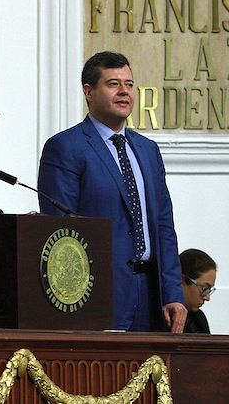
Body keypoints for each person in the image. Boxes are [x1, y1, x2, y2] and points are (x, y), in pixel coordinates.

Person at [37, 51, 186, 332]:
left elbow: (164, 226)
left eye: (129, 84)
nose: (124, 92)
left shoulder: (148, 150)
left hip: (152, 297)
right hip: (99, 296)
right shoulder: (66, 147)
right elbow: (61, 232)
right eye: (113, 84)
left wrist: (173, 294)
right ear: (89, 92)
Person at [180, 248, 216, 334]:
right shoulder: (160, 317)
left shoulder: (199, 318)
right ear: (182, 280)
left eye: (209, 290)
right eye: (204, 288)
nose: (207, 298)